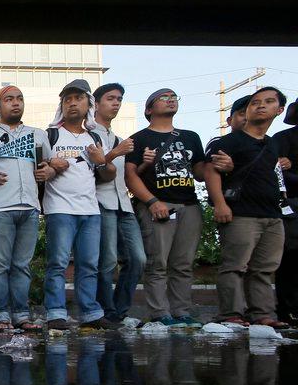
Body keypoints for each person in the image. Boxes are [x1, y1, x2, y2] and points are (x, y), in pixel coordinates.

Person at [205, 87, 289, 328]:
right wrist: (220, 204)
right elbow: (211, 170)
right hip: (241, 213)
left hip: (272, 214)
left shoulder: (273, 144)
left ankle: (262, 315)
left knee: (264, 269)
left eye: (268, 102)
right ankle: (231, 314)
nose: (260, 105)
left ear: (279, 109)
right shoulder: (230, 140)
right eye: (255, 102)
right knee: (234, 265)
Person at [0, 85, 54, 331]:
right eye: (9, 99)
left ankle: (21, 315)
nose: (15, 103)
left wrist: (49, 170)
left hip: (30, 206)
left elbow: (46, 165)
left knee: (22, 265)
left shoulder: (38, 135)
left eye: (19, 98)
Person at [124, 89, 208, 328]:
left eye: (174, 97)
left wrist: (219, 165)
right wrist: (151, 201)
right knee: (157, 262)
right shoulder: (138, 139)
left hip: (189, 204)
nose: (170, 100)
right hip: (157, 205)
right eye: (164, 97)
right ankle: (160, 313)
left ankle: (182, 312)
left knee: (183, 263)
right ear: (149, 109)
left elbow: (200, 172)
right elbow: (130, 176)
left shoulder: (191, 136)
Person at [42, 79, 115, 331]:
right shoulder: (49, 134)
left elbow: (107, 176)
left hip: (90, 210)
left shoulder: (94, 137)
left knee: (89, 264)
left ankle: (91, 312)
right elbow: (37, 168)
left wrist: (101, 161)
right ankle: (55, 312)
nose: (72, 103)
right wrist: (50, 165)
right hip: (59, 208)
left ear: (89, 104)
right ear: (61, 105)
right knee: (58, 263)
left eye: (78, 98)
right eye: (67, 99)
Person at [92, 83, 145, 324]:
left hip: (124, 203)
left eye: (119, 99)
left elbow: (124, 176)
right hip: (101, 202)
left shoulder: (119, 138)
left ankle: (120, 308)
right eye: (110, 98)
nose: (116, 103)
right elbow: (91, 170)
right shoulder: (87, 135)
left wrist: (144, 164)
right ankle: (106, 309)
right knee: (107, 260)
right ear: (96, 103)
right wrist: (115, 152)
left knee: (138, 258)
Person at [271, 102, 298, 323]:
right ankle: (288, 309)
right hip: (292, 203)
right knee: (291, 256)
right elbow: (275, 172)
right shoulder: (283, 138)